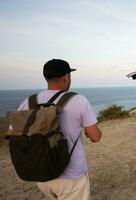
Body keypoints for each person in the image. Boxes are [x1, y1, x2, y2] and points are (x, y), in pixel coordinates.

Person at [6, 59, 102, 200]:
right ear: (66, 77)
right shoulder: (79, 100)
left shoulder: (28, 102)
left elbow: (10, 139)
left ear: (47, 78)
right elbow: (96, 137)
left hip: (42, 174)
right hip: (71, 177)